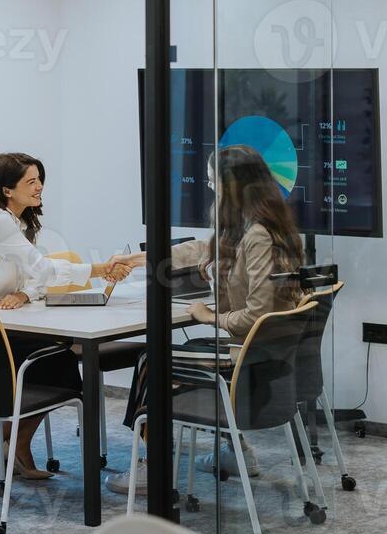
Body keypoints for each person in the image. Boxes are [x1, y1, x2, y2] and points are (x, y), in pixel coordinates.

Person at [107, 144, 306, 494]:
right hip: (267, 356)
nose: (210, 188)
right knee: (183, 350)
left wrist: (210, 315)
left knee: (149, 362)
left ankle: (153, 468)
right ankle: (236, 450)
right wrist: (144, 256)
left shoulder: (256, 235)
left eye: (213, 182)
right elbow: (203, 249)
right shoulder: (262, 227)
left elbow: (258, 313)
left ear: (232, 187)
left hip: (249, 358)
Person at [0, 151, 135, 480]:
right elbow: (40, 268)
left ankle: (10, 442)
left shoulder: (20, 221)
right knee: (60, 365)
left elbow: (34, 277)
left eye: (40, 180)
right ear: (6, 190)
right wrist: (100, 268)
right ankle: (7, 442)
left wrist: (24, 293)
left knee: (60, 363)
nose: (39, 187)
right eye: (31, 181)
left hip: (0, 321)